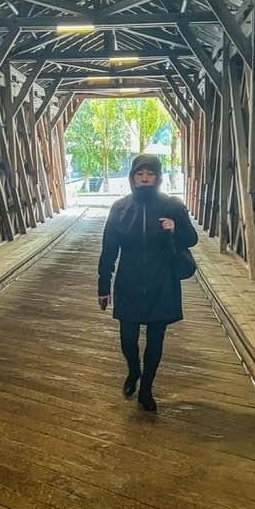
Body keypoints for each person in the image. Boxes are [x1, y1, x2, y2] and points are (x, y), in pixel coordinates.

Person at [97, 154, 198, 412]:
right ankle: (133, 370)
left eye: (150, 174)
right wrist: (103, 286)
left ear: (157, 177)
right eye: (139, 174)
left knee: (156, 339)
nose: (144, 178)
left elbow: (192, 239)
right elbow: (109, 249)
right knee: (128, 338)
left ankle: (146, 389)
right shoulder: (120, 208)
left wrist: (175, 228)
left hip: (162, 282)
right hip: (128, 282)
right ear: (132, 177)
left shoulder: (172, 206)